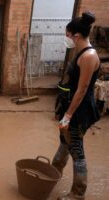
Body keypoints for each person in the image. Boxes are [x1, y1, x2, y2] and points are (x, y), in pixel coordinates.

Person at [52, 11, 100, 200]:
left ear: (76, 36)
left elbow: (82, 89)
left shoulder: (88, 56)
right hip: (71, 107)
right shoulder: (80, 52)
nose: (67, 38)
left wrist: (68, 115)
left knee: (77, 150)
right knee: (65, 143)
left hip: (79, 112)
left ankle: (78, 193)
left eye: (67, 35)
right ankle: (53, 173)